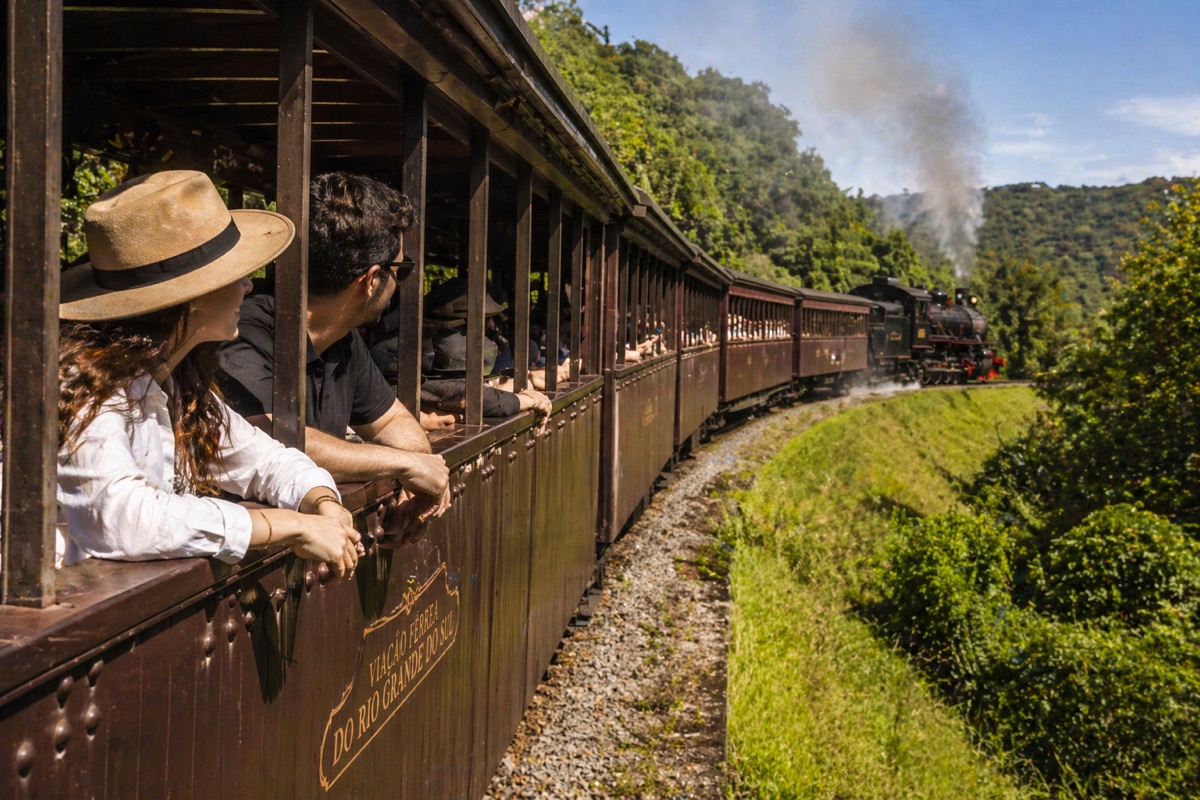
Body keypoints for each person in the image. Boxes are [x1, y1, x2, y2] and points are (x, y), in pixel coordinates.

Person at [56, 170, 362, 578]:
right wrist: (289, 526)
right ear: (192, 299)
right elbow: (122, 518)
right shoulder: (85, 386)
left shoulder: (176, 379)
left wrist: (323, 503)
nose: (249, 286)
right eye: (236, 275)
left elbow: (264, 460)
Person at [219, 172, 451, 520]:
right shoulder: (242, 331)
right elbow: (273, 440)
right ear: (371, 280)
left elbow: (391, 423)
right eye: (401, 270)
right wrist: (407, 465)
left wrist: (417, 472)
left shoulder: (344, 338)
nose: (400, 282)